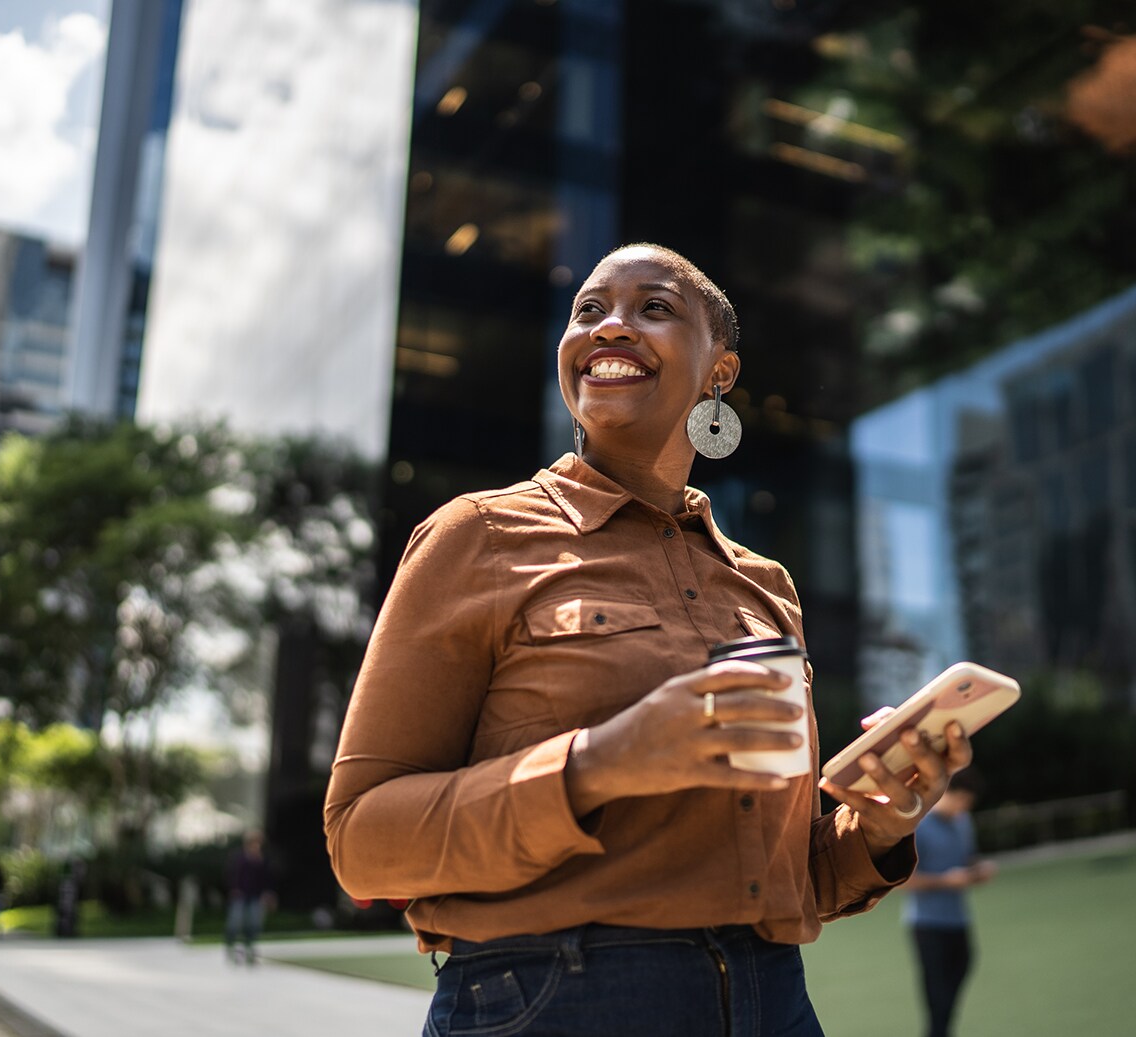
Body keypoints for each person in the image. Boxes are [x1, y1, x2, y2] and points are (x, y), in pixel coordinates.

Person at [324, 243, 973, 1036]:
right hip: (551, 999)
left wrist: (876, 823)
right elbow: (361, 840)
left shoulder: (766, 587)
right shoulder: (476, 537)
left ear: (720, 372)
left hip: (773, 1000)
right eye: (589, 311)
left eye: (653, 308)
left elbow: (776, 878)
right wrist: (603, 761)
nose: (610, 328)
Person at [901, 767, 997, 1037]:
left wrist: (979, 869)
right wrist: (946, 881)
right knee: (937, 999)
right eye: (962, 801)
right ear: (947, 794)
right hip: (927, 924)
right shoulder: (919, 827)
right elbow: (904, 882)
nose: (964, 808)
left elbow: (968, 858)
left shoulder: (963, 822)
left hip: (958, 919)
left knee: (962, 969)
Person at [224, 830, 275, 964]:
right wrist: (234, 888)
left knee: (253, 923)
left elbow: (267, 878)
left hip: (255, 895)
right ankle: (231, 946)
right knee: (235, 922)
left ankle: (249, 948)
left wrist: (268, 893)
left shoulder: (262, 858)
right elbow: (233, 874)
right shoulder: (239, 857)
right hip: (240, 895)